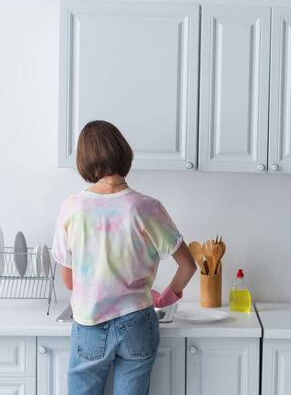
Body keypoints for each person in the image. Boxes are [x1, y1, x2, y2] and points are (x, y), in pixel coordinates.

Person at [51, 120, 197, 395]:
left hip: (89, 326)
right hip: (138, 323)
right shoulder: (147, 207)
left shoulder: (71, 208)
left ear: (84, 160)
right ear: (123, 153)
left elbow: (69, 281)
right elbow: (188, 266)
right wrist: (166, 297)